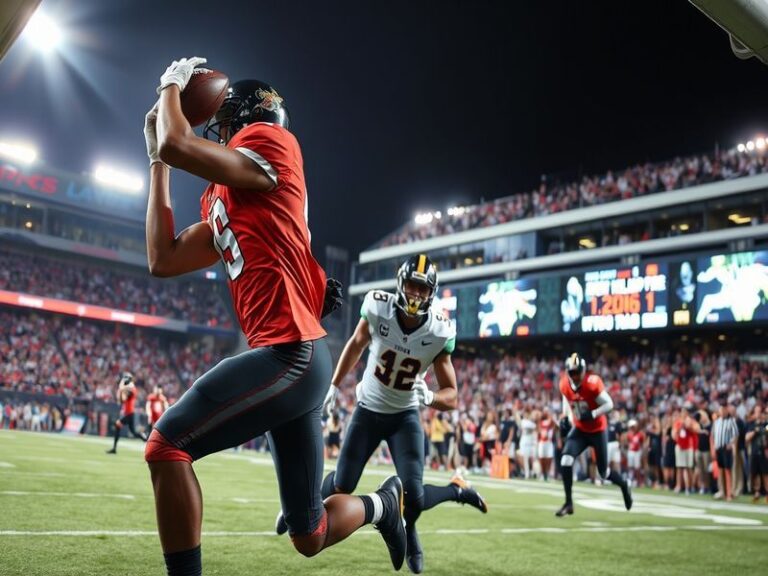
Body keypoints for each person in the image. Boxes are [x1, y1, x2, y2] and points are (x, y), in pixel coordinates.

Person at [142, 57, 406, 576]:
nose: (218, 133)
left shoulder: (271, 142)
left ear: (247, 119)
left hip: (290, 354)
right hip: (289, 357)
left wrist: (171, 87)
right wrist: (157, 164)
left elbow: (179, 142)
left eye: (223, 123)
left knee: (166, 445)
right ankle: (383, 504)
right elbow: (163, 258)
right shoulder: (227, 193)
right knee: (310, 534)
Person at [277, 255, 488, 574]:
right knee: (342, 484)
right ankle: (301, 506)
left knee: (414, 496)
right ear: (401, 284)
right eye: (413, 286)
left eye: (423, 289)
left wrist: (431, 397)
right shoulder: (379, 307)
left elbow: (453, 395)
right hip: (368, 411)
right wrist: (334, 385)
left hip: (404, 416)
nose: (416, 294)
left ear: (431, 293)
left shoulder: (439, 330)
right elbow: (356, 343)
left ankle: (433, 510)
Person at [556, 353, 632, 517]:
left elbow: (609, 404)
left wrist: (593, 414)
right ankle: (568, 503)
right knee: (565, 460)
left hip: (597, 430)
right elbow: (566, 398)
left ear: (583, 371)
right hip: (580, 429)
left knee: (603, 473)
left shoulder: (592, 383)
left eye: (577, 372)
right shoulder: (564, 384)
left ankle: (623, 484)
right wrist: (565, 416)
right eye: (572, 373)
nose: (575, 376)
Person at [106, 372, 146, 454]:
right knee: (133, 432)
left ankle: (114, 448)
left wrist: (121, 387)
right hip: (128, 413)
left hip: (129, 413)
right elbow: (121, 400)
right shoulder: (129, 389)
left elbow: (123, 397)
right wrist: (121, 390)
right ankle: (145, 438)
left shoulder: (132, 389)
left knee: (118, 424)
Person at [712, 403, 738, 501]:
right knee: (720, 471)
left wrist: (731, 444)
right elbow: (713, 435)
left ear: (727, 410)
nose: (722, 412)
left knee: (728, 471)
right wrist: (714, 448)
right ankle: (722, 491)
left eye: (724, 410)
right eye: (721, 410)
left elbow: (735, 435)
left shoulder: (731, 421)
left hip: (726, 449)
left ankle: (729, 493)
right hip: (718, 448)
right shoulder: (716, 422)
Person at [745, 404, 768, 503]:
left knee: (766, 473)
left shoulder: (766, 424)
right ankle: (757, 492)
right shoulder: (752, 424)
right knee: (755, 473)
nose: (758, 413)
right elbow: (747, 438)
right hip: (754, 451)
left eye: (759, 411)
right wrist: (755, 431)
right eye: (756, 411)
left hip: (764, 452)